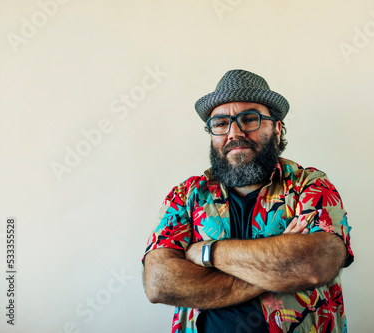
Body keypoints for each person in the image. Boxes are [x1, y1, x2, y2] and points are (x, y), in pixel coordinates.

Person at [142, 69, 354, 333]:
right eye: (220, 123)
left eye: (249, 119)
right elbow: (160, 282)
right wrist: (280, 270)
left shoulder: (310, 185)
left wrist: (208, 252)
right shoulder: (186, 196)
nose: (234, 133)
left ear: (277, 128)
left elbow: (317, 263)